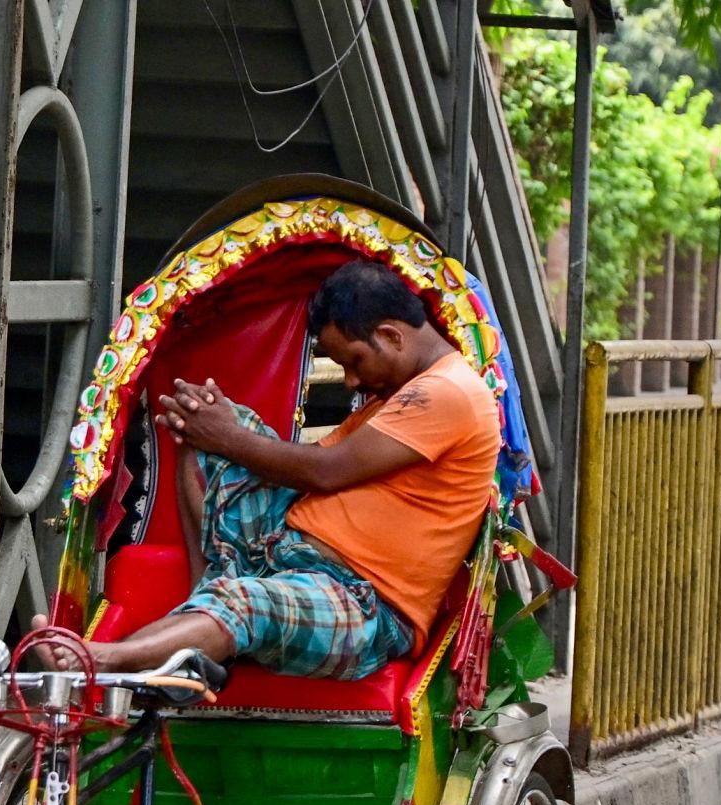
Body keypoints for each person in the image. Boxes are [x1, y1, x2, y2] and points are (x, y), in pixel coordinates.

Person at [35, 260, 500, 679]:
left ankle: (101, 659)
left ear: (393, 336)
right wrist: (219, 428)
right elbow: (299, 468)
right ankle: (205, 602)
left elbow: (325, 471)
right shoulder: (402, 394)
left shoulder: (448, 392)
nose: (352, 381)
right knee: (203, 418)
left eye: (355, 361)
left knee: (242, 590)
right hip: (285, 548)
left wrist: (227, 436)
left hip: (364, 605)